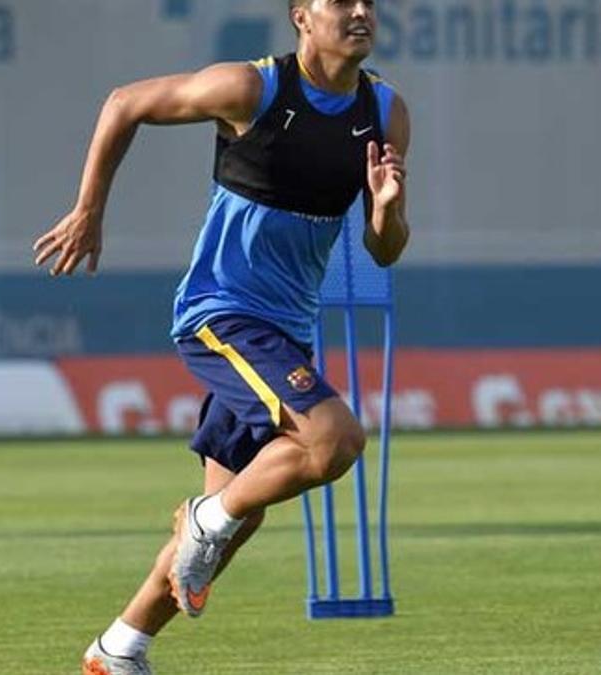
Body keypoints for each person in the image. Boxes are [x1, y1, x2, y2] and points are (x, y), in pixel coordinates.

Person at [32, 1, 409, 673]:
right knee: (336, 440)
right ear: (301, 16)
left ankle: (120, 646)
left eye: (368, 2)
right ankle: (205, 518)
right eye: (340, 1)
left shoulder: (384, 112)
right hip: (221, 313)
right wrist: (89, 210)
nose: (359, 12)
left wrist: (385, 212)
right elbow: (126, 102)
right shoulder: (253, 88)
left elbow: (385, 250)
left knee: (242, 511)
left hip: (286, 331)